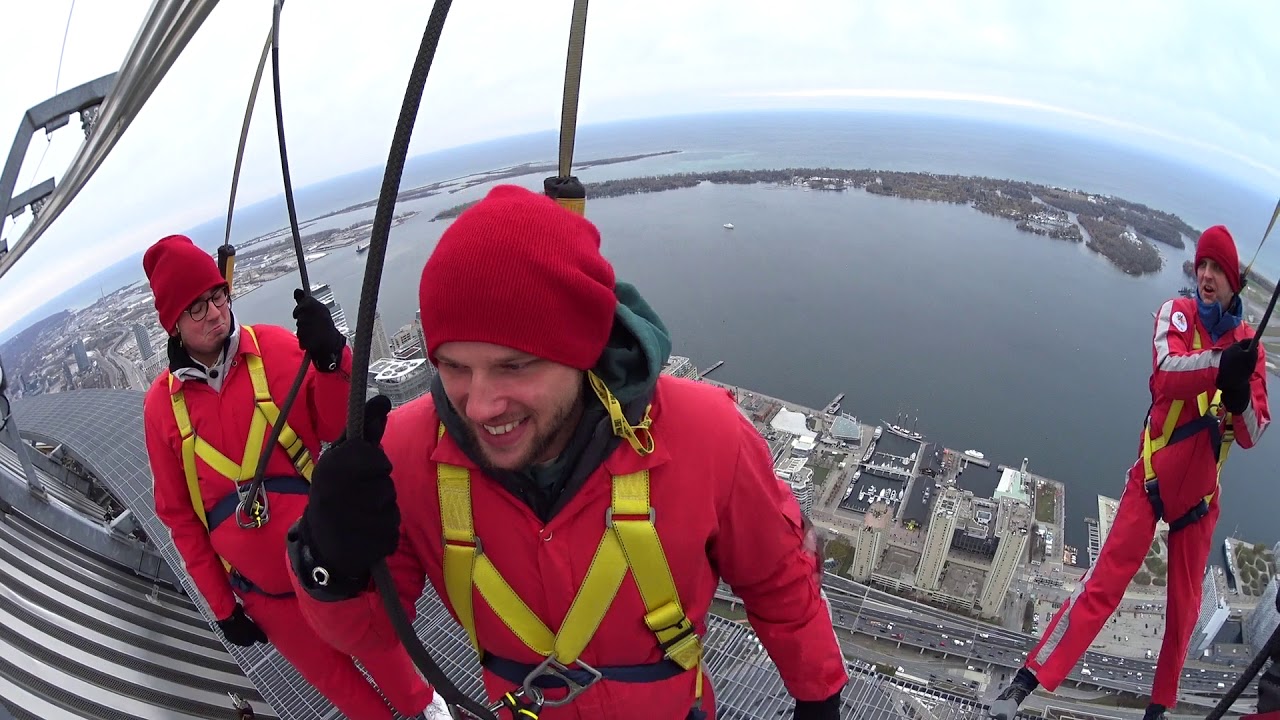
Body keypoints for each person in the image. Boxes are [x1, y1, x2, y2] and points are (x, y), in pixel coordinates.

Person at [285, 185, 850, 719]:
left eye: (514, 366)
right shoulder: (404, 454)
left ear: (582, 351)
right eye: (454, 367)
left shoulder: (707, 434)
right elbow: (371, 634)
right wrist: (330, 561)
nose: (479, 406)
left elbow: (778, 580)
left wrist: (818, 696)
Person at [140, 235, 446, 720]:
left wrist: (332, 360)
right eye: (197, 307)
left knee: (399, 673)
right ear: (173, 324)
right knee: (349, 696)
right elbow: (180, 518)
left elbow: (335, 426)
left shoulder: (275, 350)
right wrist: (223, 607)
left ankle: (430, 711)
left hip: (331, 570)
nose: (215, 312)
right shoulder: (162, 409)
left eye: (218, 295)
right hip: (265, 597)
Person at [989, 225, 1270, 720]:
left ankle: (1158, 709)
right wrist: (1222, 365)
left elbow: (1253, 431)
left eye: (1216, 268)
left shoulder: (1251, 349)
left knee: (1184, 612)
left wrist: (1240, 390)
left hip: (1199, 500)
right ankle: (1027, 679)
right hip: (1152, 479)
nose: (1205, 275)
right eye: (1202, 265)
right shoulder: (1176, 315)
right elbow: (1166, 373)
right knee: (1103, 583)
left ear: (1234, 280)